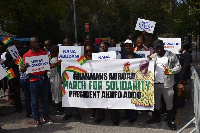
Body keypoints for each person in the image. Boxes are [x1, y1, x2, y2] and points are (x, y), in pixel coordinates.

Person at [147, 39, 181, 130]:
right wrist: (147, 59)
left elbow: (178, 66)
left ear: (163, 45)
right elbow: (146, 65)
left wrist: (170, 71)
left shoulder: (171, 55)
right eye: (155, 48)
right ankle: (156, 118)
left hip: (167, 84)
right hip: (155, 84)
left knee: (169, 103)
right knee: (156, 103)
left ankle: (170, 120)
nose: (157, 49)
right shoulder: (153, 56)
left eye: (159, 46)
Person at [21, 37, 54, 126]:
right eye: (35, 42)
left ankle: (46, 116)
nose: (37, 44)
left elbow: (47, 66)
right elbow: (22, 69)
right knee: (34, 100)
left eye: (38, 42)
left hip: (44, 78)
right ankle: (36, 118)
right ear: (31, 44)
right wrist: (24, 67)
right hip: (33, 80)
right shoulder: (26, 55)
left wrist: (56, 64)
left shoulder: (43, 53)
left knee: (45, 99)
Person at [94, 41, 120, 126]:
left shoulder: (112, 57)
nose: (102, 48)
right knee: (99, 100)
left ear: (107, 49)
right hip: (99, 81)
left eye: (104, 47)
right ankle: (100, 117)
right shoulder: (95, 57)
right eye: (101, 47)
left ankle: (115, 119)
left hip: (110, 82)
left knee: (112, 100)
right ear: (99, 48)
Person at [122, 39, 141, 123]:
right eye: (126, 46)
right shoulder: (122, 57)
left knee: (133, 98)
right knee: (126, 98)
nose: (128, 47)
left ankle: (133, 116)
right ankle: (127, 114)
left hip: (134, 82)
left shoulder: (137, 57)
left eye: (129, 45)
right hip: (125, 82)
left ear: (132, 46)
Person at [63, 37, 81, 121]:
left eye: (68, 43)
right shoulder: (60, 53)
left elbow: (83, 62)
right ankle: (68, 113)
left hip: (75, 77)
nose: (66, 44)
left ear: (71, 43)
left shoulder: (77, 52)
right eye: (65, 43)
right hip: (65, 78)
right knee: (66, 96)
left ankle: (75, 113)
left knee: (75, 95)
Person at [3, 41, 22, 113]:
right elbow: (8, 66)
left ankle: (19, 105)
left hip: (18, 73)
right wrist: (13, 61)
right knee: (14, 89)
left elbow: (20, 63)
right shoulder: (8, 55)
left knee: (17, 90)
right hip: (11, 73)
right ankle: (17, 107)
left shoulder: (17, 53)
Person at [49, 45, 63, 115]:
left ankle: (60, 110)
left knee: (57, 95)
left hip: (55, 79)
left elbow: (50, 72)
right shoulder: (60, 59)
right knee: (60, 95)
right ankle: (60, 109)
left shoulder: (53, 60)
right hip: (59, 79)